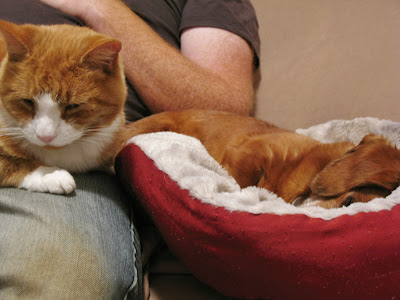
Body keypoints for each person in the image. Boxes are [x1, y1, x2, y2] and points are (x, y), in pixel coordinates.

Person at [0, 0, 260, 299]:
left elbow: (224, 108)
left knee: (54, 276)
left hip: (71, 171)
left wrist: (98, 7)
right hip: (15, 122)